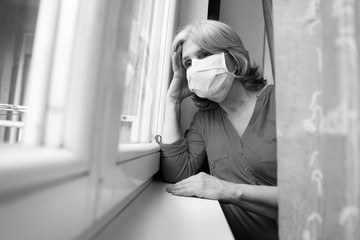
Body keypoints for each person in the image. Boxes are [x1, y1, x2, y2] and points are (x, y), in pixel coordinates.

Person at [155, 20, 278, 240]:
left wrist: (226, 190)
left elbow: (310, 197)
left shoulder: (281, 101)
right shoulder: (204, 120)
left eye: (203, 55)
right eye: (188, 64)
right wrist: (172, 101)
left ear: (233, 57)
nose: (195, 67)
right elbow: (177, 174)